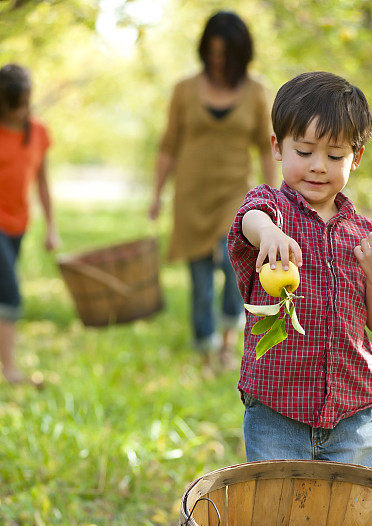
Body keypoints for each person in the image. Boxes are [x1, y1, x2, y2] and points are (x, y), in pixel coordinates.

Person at [228, 71, 372, 466]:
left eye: (335, 155)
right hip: (278, 410)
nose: (318, 167)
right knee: (277, 513)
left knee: (352, 518)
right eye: (305, 151)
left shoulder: (366, 235)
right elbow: (249, 219)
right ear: (278, 147)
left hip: (353, 412)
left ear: (355, 158)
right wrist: (269, 233)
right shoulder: (271, 208)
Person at [150, 11, 276, 371]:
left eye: (226, 55)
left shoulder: (255, 91)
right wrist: (156, 194)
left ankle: (227, 342)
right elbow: (168, 147)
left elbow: (267, 148)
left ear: (240, 55)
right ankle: (206, 352)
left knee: (235, 271)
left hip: (235, 198)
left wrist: (277, 197)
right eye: (213, 53)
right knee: (200, 281)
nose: (218, 62)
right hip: (191, 198)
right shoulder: (184, 90)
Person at [0, 63, 60, 385]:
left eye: (24, 103)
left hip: (18, 224)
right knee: (10, 295)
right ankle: (9, 370)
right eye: (14, 105)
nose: (21, 111)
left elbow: (43, 182)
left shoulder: (37, 132)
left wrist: (51, 227)